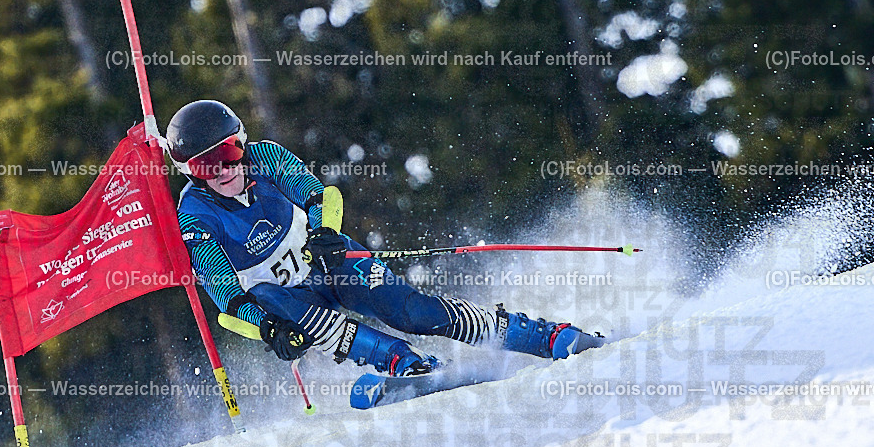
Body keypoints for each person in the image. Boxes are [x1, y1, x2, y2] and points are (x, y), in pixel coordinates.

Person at [167, 100, 605, 377]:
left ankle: (540, 335)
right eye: (206, 167)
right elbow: (224, 293)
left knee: (411, 310)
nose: (222, 171)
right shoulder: (195, 213)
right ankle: (398, 361)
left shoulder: (265, 157)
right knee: (268, 294)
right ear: (190, 173)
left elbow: (319, 194)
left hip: (329, 264)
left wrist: (326, 232)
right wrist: (264, 328)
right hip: (291, 302)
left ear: (241, 145)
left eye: (227, 155)